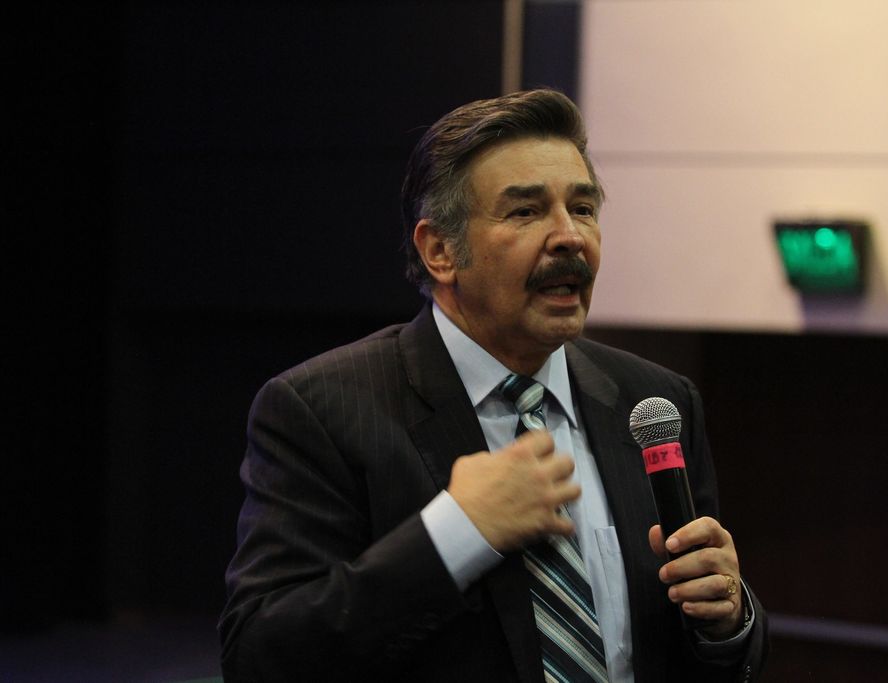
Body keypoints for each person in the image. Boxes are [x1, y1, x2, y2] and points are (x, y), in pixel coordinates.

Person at [219, 89, 768, 682]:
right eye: (526, 212)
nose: (570, 237)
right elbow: (261, 657)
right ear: (440, 251)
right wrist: (457, 533)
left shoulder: (653, 402)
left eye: (583, 208)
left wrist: (727, 623)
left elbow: (703, 655)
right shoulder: (322, 410)